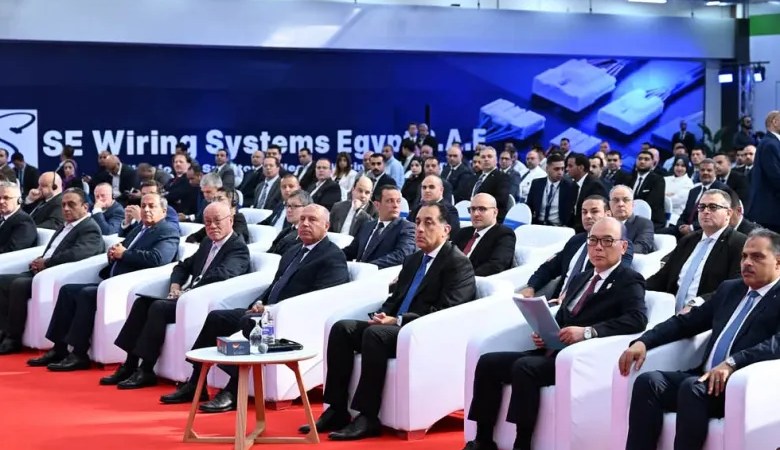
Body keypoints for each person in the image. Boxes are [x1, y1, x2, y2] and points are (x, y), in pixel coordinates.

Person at [465, 217, 648, 450]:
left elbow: (637, 318)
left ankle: (522, 443)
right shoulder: (581, 277)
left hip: (581, 358)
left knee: (525, 367)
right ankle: (483, 439)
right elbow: (563, 316)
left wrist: (588, 333)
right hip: (554, 349)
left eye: (607, 241)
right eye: (593, 240)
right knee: (488, 362)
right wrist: (545, 332)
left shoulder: (629, 279)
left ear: (623, 246)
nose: (598, 247)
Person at [310, 201, 476, 440]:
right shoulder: (414, 259)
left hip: (423, 331)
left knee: (375, 334)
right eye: (417, 222)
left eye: (428, 223)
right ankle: (336, 409)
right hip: (395, 326)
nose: (420, 229)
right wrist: (381, 314)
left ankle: (368, 416)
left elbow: (448, 311)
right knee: (342, 328)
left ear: (445, 230)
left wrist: (397, 320)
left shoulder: (457, 263)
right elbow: (395, 298)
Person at [159, 204, 349, 409]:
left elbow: (320, 299)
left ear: (326, 225)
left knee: (249, 322)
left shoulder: (332, 256)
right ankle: (196, 382)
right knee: (217, 317)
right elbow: (276, 285)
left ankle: (232, 391)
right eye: (302, 219)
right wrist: (260, 303)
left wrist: (272, 310)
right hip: (267, 312)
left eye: (312, 220)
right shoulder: (294, 250)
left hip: (291, 319)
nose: (304, 224)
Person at [619, 228, 780, 450]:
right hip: (703, 378)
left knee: (692, 388)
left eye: (757, 257)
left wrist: (733, 363)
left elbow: (776, 344)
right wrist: (645, 341)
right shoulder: (731, 289)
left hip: (742, 386)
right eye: (744, 256)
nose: (747, 263)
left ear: (778, 262)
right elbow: (686, 323)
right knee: (649, 382)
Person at [100, 202, 251, 388]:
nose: (212, 226)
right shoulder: (207, 243)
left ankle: (146, 368)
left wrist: (187, 293)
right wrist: (175, 286)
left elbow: (221, 275)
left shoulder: (238, 248)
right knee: (142, 303)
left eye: (217, 221)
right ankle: (130, 364)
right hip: (187, 296)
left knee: (159, 307)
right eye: (207, 222)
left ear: (230, 221)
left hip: (205, 301)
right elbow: (183, 266)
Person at [32, 193, 179, 371]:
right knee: (68, 290)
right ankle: (59, 348)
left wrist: (124, 254)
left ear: (164, 211)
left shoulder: (167, 231)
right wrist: (113, 253)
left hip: (129, 285)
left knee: (86, 294)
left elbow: (158, 259)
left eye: (152, 206)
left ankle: (79, 353)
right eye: (143, 206)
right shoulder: (140, 228)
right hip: (111, 281)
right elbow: (123, 247)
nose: (146, 210)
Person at [0, 188, 105, 354]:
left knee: (19, 284)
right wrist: (39, 259)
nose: (66, 209)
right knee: (2, 280)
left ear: (85, 207)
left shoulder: (89, 228)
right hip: (42, 270)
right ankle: (3, 331)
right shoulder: (65, 226)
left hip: (56, 275)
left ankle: (13, 338)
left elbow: (78, 253)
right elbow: (53, 250)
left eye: (71, 204)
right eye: (63, 205)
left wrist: (47, 262)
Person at [647, 190, 746, 312]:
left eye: (713, 207)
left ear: (728, 213)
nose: (706, 211)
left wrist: (698, 303)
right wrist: (635, 286)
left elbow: (734, 286)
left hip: (705, 313)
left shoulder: (739, 244)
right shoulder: (688, 240)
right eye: (702, 207)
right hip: (669, 310)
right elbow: (662, 277)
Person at [520, 196, 634, 300]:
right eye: (584, 212)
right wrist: (531, 286)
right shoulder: (576, 241)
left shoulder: (618, 244)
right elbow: (549, 267)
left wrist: (572, 296)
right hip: (556, 303)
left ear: (608, 215)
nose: (588, 216)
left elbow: (612, 278)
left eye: (594, 211)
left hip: (586, 307)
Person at [343, 185, 416, 269]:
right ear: (377, 205)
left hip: (380, 274)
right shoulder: (367, 226)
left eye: (398, 201)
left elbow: (401, 255)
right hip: (359, 272)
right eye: (390, 201)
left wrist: (368, 267)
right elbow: (351, 251)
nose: (396, 205)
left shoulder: (407, 228)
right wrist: (332, 254)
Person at [453, 193, 516, 276]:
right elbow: (447, 257)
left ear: (495, 212)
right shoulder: (463, 232)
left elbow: (496, 266)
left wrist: (462, 277)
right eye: (473, 209)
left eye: (482, 209)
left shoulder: (504, 235)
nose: (475, 214)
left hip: (474, 280)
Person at [664, 159, 727, 238]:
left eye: (709, 170)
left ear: (716, 172)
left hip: (704, 231)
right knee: (658, 233)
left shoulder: (721, 190)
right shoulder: (694, 191)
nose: (705, 172)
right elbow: (685, 213)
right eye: (702, 170)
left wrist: (691, 228)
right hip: (684, 229)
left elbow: (714, 216)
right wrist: (680, 226)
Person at [746, 110, 780, 233]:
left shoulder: (768, 142)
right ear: (775, 122)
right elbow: (776, 176)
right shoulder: (771, 144)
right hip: (772, 211)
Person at [526, 153, 576, 227]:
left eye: (562, 169)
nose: (560, 172)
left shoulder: (570, 186)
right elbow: (529, 206)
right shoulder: (536, 183)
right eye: (556, 169)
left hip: (558, 226)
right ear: (547, 169)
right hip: (538, 224)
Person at [185, 187, 250, 245]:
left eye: (220, 199)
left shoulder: (239, 218)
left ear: (233, 202)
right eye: (214, 200)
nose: (215, 202)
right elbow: (192, 237)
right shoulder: (214, 221)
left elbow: (235, 241)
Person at [567, 153, 609, 231]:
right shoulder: (574, 184)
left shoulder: (594, 185)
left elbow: (597, 214)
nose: (567, 169)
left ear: (581, 167)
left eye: (570, 166)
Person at [609, 185, 656, 254]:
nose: (621, 204)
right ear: (610, 204)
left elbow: (642, 248)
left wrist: (611, 248)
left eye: (625, 200)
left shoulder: (644, 223)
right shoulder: (604, 224)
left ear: (632, 204)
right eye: (616, 200)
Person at [470, 147, 510, 223]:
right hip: (473, 215)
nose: (486, 159)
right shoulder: (475, 177)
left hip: (492, 219)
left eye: (489, 156)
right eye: (483, 157)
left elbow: (501, 200)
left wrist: (478, 204)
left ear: (496, 160)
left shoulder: (502, 177)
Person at [630, 150, 667, 230]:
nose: (642, 161)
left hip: (652, 220)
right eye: (640, 159)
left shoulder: (658, 180)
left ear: (653, 163)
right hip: (630, 218)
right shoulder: (630, 178)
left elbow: (652, 203)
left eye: (646, 159)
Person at [269, 190, 312, 256]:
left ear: (307, 208)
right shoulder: (285, 231)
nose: (289, 210)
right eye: (288, 206)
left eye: (294, 206)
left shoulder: (306, 235)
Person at [0, 181, 38, 254]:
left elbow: (11, 250)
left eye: (6, 198)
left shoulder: (24, 221)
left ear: (19, 200)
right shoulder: (3, 218)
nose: (1, 201)